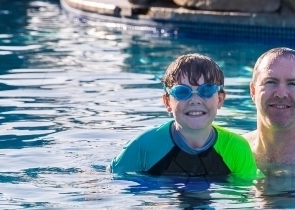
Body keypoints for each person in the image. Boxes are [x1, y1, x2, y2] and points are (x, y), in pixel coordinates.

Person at [110, 54, 258, 180]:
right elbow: (112, 182)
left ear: (220, 99)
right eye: (182, 92)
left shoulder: (236, 148)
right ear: (167, 102)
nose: (195, 100)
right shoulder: (145, 145)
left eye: (206, 90)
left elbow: (249, 197)